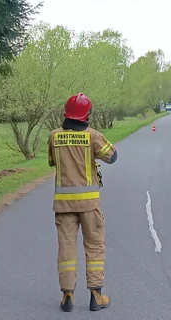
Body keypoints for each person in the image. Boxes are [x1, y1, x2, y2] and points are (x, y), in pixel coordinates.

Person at [48, 93, 118, 312]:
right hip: (89, 204)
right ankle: (96, 297)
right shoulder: (93, 136)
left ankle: (67, 295)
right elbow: (112, 156)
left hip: (63, 205)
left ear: (66, 113)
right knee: (95, 246)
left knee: (67, 247)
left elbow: (52, 161)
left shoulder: (53, 136)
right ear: (87, 114)